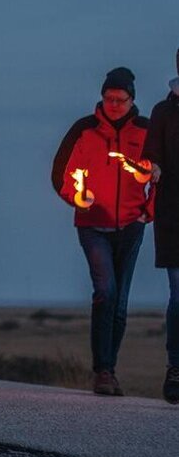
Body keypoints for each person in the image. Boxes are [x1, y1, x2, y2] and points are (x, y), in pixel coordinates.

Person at [52, 66, 153, 396]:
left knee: (120, 302)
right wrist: (77, 198)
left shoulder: (146, 131)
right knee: (105, 291)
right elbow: (60, 174)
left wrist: (146, 214)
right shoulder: (84, 129)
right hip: (92, 225)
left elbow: (164, 177)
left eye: (120, 100)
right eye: (108, 98)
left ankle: (109, 369)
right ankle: (103, 371)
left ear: (131, 99)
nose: (113, 105)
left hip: (131, 226)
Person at [142, 49, 179, 403]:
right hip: (174, 218)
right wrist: (151, 169)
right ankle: (176, 369)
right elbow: (153, 157)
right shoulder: (164, 112)